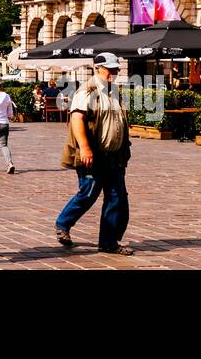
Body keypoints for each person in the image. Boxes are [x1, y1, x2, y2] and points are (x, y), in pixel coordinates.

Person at [55, 53, 133, 256]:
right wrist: (85, 148)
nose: (114, 72)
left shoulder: (114, 91)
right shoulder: (87, 90)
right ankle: (63, 223)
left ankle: (108, 242)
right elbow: (77, 120)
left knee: (117, 198)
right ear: (97, 68)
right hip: (95, 154)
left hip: (115, 156)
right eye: (110, 69)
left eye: (116, 68)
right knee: (88, 194)